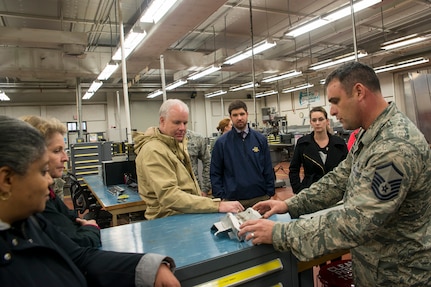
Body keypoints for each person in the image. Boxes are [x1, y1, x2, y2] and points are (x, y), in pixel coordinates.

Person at [238, 62, 431, 286]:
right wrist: (290, 205)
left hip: (401, 277)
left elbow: (357, 222)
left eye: (335, 101)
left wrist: (282, 233)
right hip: (375, 271)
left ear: (359, 92)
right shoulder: (369, 134)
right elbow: (339, 178)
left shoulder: (394, 145)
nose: (332, 112)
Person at [0, 115, 180, 287]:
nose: (48, 181)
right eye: (41, 171)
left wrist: (150, 268)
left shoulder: (30, 223)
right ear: (7, 180)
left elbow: (79, 256)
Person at [133, 99, 244, 220]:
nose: (182, 128)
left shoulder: (175, 143)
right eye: (177, 122)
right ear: (162, 121)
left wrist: (203, 195)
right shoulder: (153, 151)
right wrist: (216, 205)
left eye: (185, 123)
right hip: (169, 222)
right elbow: (169, 196)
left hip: (184, 216)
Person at [21, 115, 101, 247]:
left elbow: (68, 216)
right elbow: (79, 244)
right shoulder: (38, 201)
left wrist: (80, 225)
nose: (66, 158)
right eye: (57, 151)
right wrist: (92, 228)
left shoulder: (48, 192)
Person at [210, 100, 275, 208]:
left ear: (247, 114)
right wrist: (221, 196)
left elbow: (268, 168)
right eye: (235, 115)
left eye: (242, 114)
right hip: (233, 201)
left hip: (260, 198)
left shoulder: (260, 140)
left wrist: (270, 192)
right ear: (230, 117)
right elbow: (215, 172)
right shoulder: (221, 143)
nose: (239, 118)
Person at [288, 106, 348, 194]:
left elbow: (348, 169)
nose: (317, 123)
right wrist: (298, 189)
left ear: (327, 121)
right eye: (314, 120)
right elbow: (294, 169)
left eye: (321, 119)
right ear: (310, 123)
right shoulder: (303, 144)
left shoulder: (339, 144)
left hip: (335, 192)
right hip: (310, 192)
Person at [186, 129, 211, 196]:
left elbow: (208, 161)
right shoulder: (160, 141)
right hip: (169, 191)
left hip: (193, 190)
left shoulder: (196, 138)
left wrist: (205, 187)